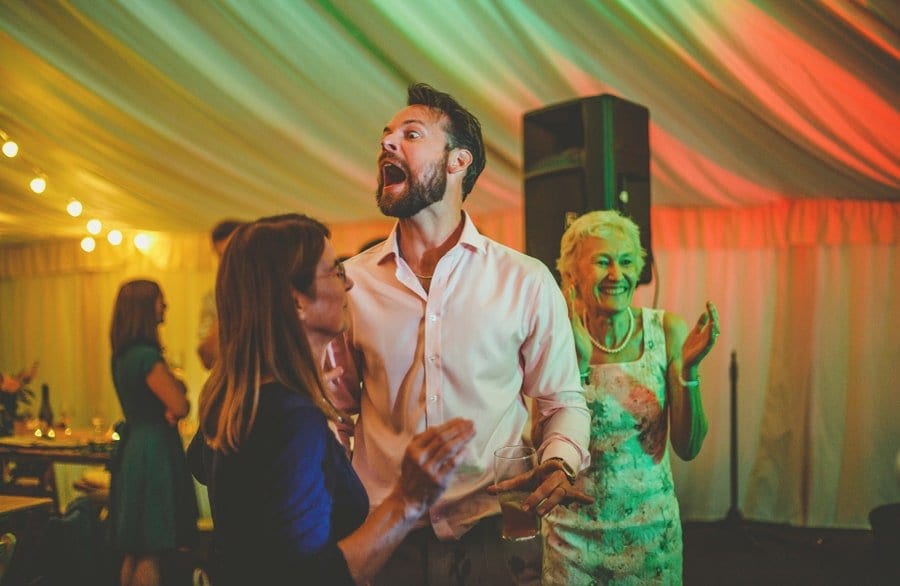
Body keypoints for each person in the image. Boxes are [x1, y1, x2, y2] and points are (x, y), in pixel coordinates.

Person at [330, 83, 592, 584]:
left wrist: (559, 462)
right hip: (385, 537)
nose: (386, 143)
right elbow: (334, 413)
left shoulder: (525, 279)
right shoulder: (351, 283)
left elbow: (563, 401)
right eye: (386, 135)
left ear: (458, 162)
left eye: (411, 134)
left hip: (495, 535)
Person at [186, 214, 475, 586]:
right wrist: (407, 498)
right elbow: (312, 576)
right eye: (335, 271)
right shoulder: (291, 418)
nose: (350, 282)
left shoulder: (235, 394)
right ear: (297, 302)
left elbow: (201, 466)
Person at [542, 209, 720, 585]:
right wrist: (578, 363)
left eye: (626, 262)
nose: (616, 275)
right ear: (571, 273)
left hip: (650, 535)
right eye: (602, 261)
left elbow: (688, 448)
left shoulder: (667, 330)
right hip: (572, 539)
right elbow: (538, 443)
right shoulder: (554, 336)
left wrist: (687, 374)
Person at [109, 279, 198, 586]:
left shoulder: (122, 355)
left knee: (134, 550)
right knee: (151, 548)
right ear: (146, 308)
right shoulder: (146, 356)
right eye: (161, 301)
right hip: (154, 453)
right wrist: (179, 395)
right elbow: (180, 404)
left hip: (135, 447)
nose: (166, 306)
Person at [196, 219, 244, 370]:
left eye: (233, 254)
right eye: (221, 256)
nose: (226, 263)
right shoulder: (214, 298)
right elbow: (207, 359)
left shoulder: (275, 292)